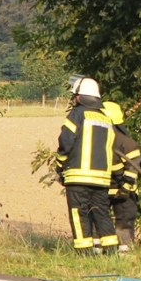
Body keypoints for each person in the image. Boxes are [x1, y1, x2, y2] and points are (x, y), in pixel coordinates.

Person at [57, 77, 118, 253]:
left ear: (79, 96)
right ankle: (111, 250)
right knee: (102, 213)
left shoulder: (77, 114)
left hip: (78, 176)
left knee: (79, 213)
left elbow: (65, 142)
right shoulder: (106, 119)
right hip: (102, 179)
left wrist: (60, 165)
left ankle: (84, 252)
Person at [102, 101, 141, 251]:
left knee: (122, 220)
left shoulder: (126, 143)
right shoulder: (125, 141)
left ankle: (122, 250)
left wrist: (125, 187)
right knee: (101, 218)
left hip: (122, 189)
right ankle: (104, 250)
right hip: (107, 188)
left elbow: (133, 166)